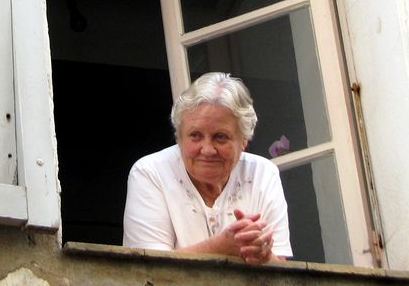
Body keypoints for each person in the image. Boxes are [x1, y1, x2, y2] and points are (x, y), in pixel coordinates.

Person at [123, 72, 291, 264]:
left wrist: (261, 253)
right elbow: (147, 269)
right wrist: (221, 247)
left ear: (244, 140)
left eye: (220, 137)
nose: (208, 150)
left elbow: (281, 273)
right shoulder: (150, 173)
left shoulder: (263, 174)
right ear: (178, 137)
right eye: (195, 135)